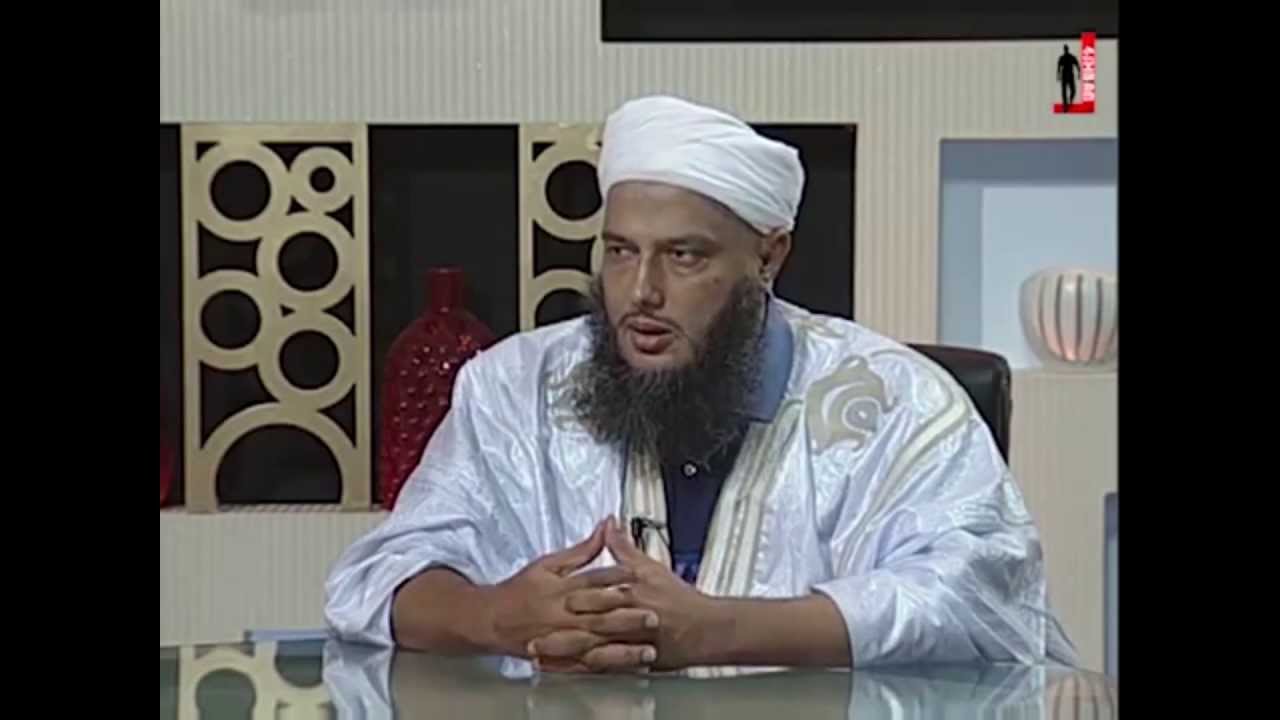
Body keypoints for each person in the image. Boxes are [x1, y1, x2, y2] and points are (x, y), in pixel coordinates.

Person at [325, 95, 1077, 677]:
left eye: (683, 256)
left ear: (769, 257)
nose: (640, 292)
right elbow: (381, 578)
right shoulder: (516, 388)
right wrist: (496, 617)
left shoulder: (895, 401)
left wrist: (721, 629)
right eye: (621, 252)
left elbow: (983, 598)